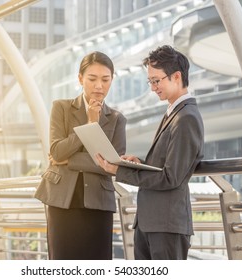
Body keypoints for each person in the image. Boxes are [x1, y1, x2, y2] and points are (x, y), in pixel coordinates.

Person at [96, 45, 204, 260]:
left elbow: (171, 177)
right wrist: (139, 163)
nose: (153, 88)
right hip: (151, 223)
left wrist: (121, 172)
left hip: (167, 225)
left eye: (156, 81)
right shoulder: (173, 114)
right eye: (150, 82)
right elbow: (165, 166)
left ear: (176, 76)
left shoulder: (186, 118)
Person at [35, 51, 126, 260]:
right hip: (62, 200)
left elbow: (113, 164)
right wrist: (89, 125)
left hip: (99, 202)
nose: (99, 86)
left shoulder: (117, 119)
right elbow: (57, 151)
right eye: (92, 79)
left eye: (105, 79)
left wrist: (71, 160)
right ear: (80, 79)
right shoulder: (61, 108)